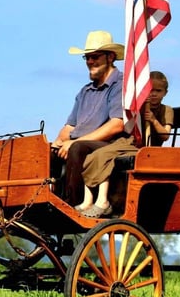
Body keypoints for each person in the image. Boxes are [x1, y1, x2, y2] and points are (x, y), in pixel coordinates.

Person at [76, 71, 174, 217]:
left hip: (147, 149)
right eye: (150, 90)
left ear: (165, 92)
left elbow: (165, 135)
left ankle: (102, 202)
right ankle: (87, 200)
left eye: (158, 91)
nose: (153, 94)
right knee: (94, 156)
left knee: (104, 156)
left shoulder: (167, 110)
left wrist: (153, 120)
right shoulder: (140, 107)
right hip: (130, 143)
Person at [52, 30, 126, 214]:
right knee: (45, 152)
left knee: (78, 148)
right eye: (87, 58)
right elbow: (69, 126)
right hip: (80, 143)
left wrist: (74, 142)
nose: (90, 62)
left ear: (110, 57)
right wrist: (57, 143)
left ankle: (70, 203)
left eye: (95, 57)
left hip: (110, 144)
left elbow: (117, 124)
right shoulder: (85, 91)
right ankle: (45, 202)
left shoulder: (120, 85)